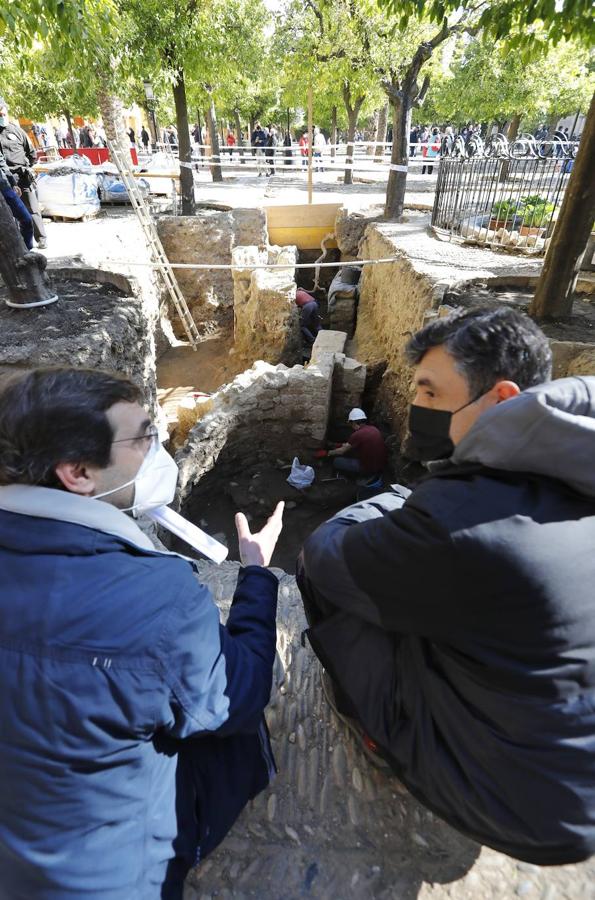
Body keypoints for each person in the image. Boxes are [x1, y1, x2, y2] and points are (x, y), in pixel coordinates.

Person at [298, 305, 595, 866]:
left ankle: (379, 735)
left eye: (431, 393)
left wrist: (396, 501)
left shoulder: (460, 522)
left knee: (325, 578)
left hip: (521, 810)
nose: (416, 409)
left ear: (503, 400)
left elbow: (327, 555)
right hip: (573, 768)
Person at [0, 367, 285, 900]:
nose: (160, 448)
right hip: (108, 880)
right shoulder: (155, 595)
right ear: (78, 472)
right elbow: (237, 694)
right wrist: (257, 576)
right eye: (145, 437)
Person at [0, 97, 48, 249]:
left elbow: (31, 152)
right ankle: (21, 244)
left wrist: (28, 167)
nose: (2, 117)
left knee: (32, 209)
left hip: (22, 175)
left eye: (3, 114)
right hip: (7, 178)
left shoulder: (17, 131)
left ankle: (41, 238)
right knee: (13, 213)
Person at [327, 407, 387, 477]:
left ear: (354, 422)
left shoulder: (357, 434)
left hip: (367, 469)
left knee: (336, 461)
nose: (351, 426)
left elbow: (341, 451)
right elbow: (349, 444)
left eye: (350, 423)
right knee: (351, 452)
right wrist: (334, 444)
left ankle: (347, 476)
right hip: (380, 466)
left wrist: (329, 453)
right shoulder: (374, 429)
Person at [0, 146, 34, 249]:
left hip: (4, 187)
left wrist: (13, 182)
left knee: (26, 220)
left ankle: (26, 252)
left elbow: (1, 162)